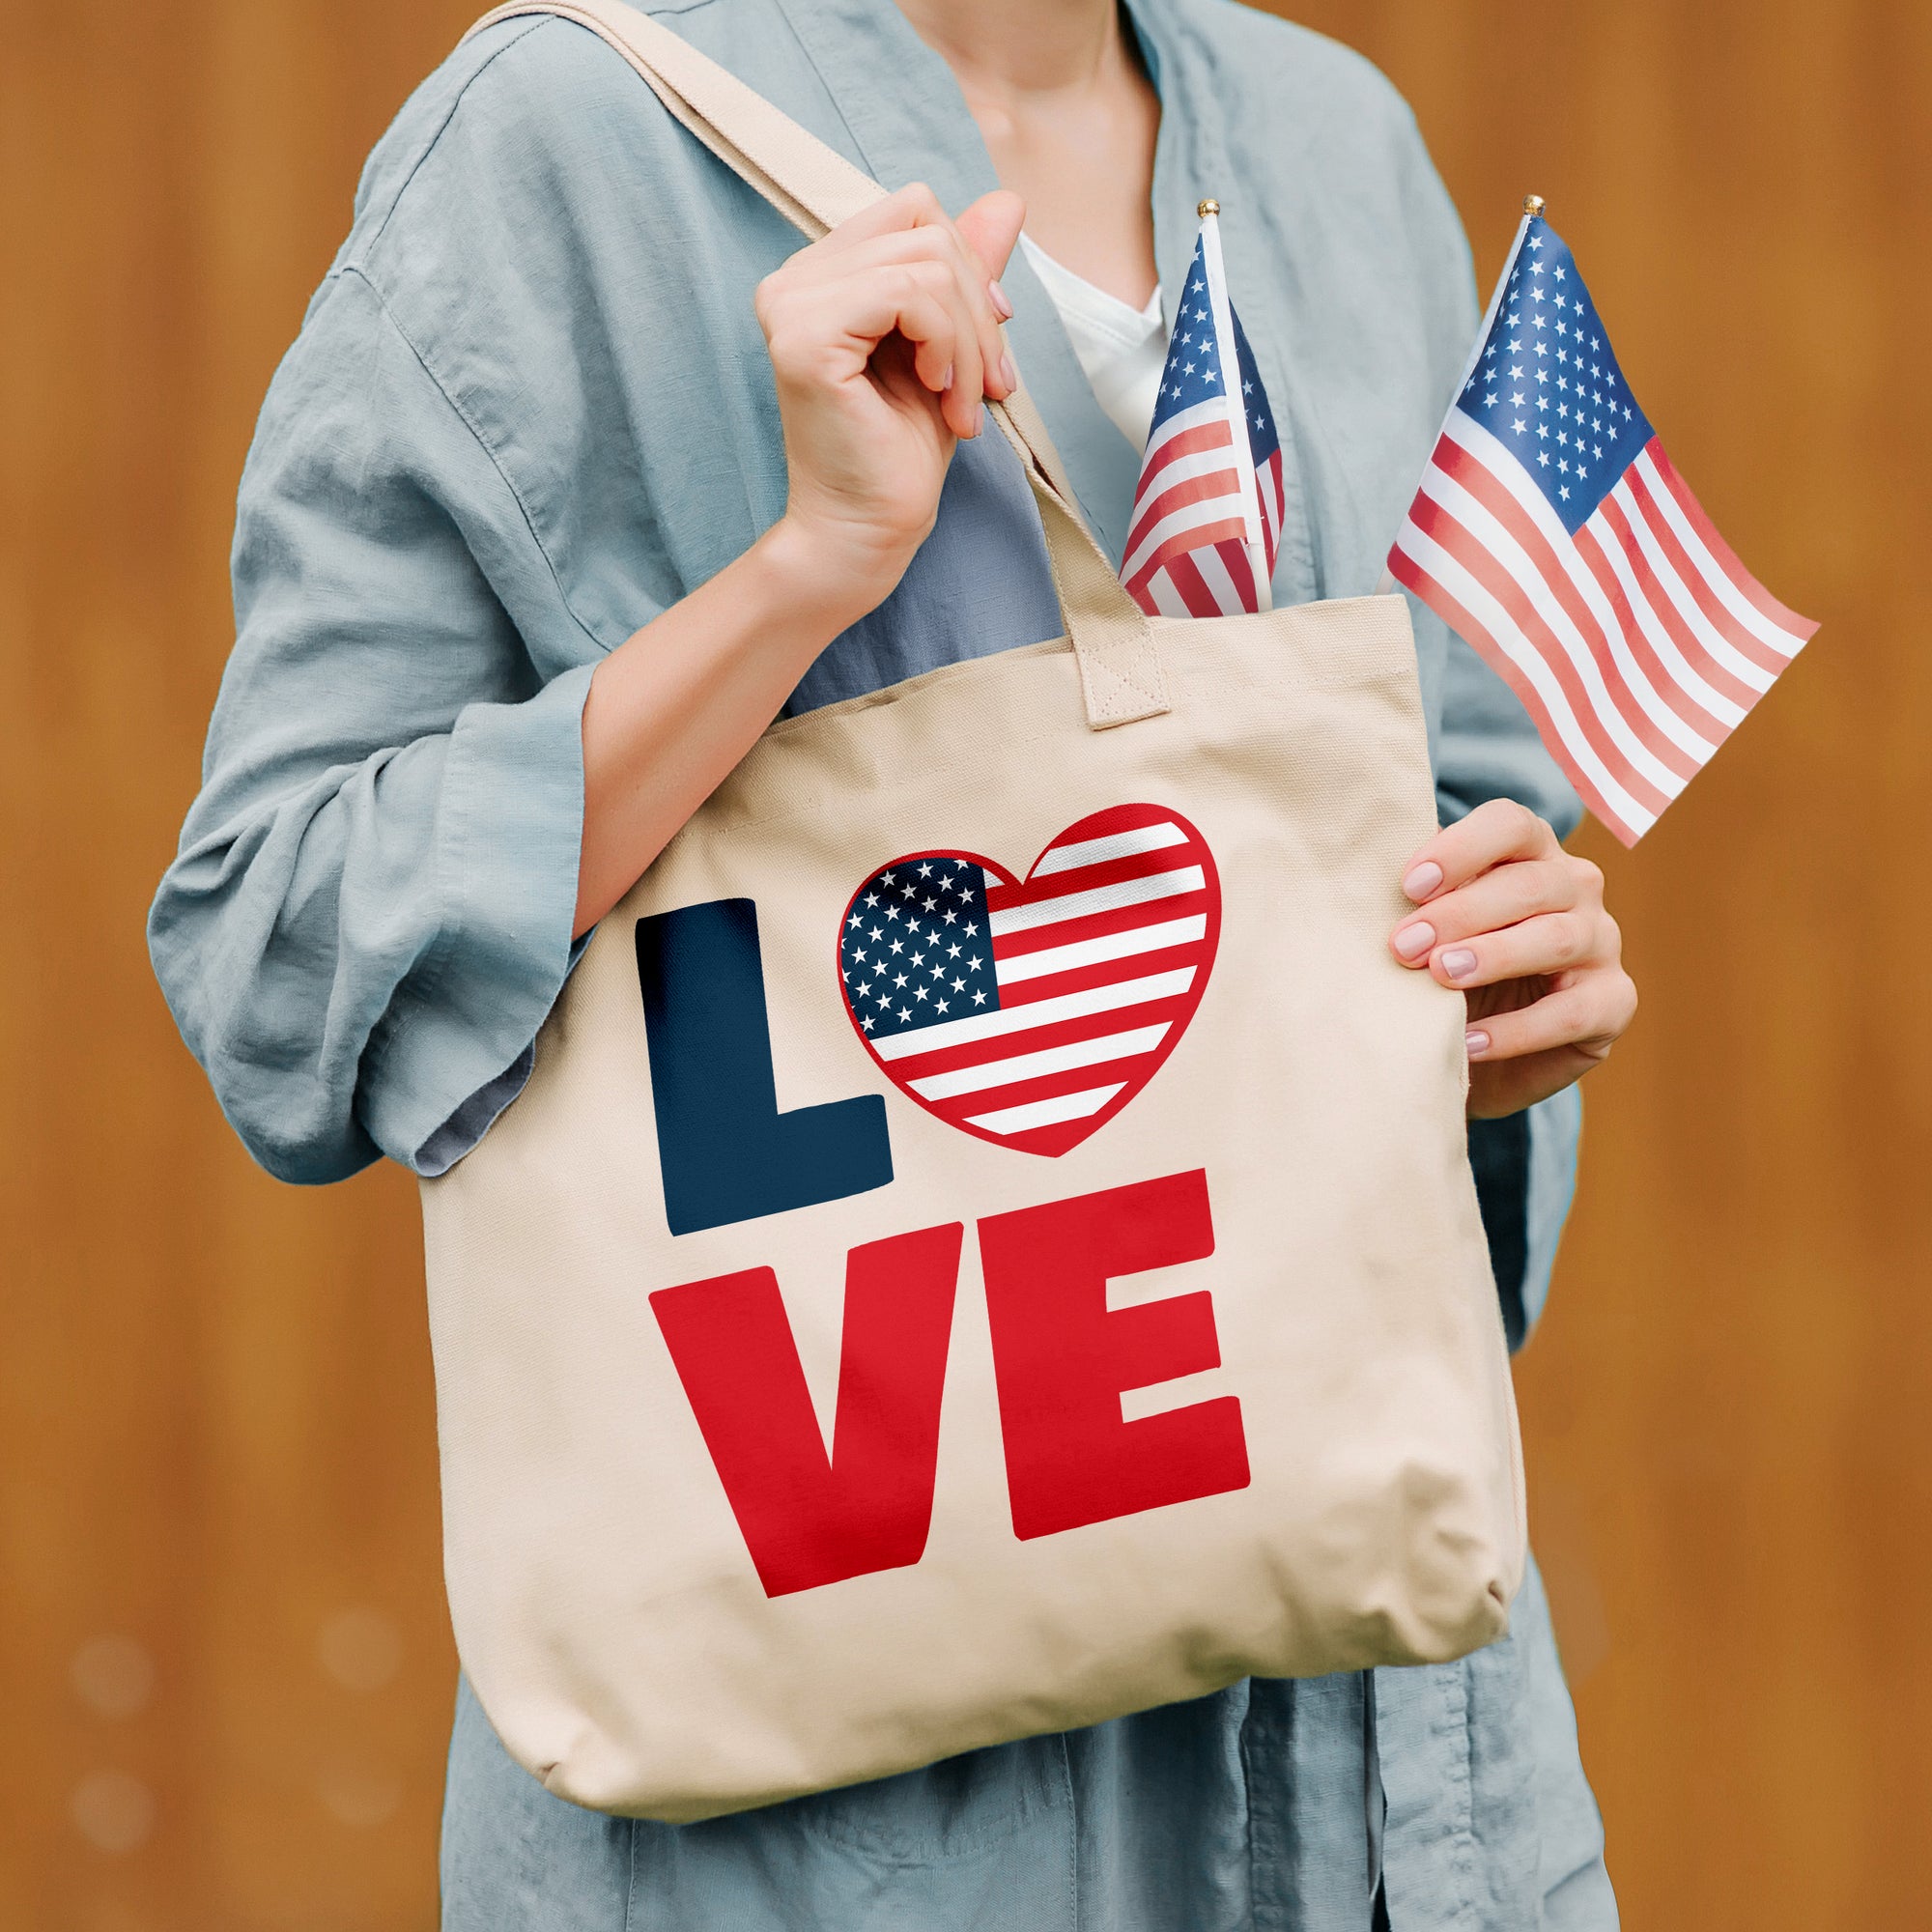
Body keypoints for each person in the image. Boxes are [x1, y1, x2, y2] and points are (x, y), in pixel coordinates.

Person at [150, 0, 1636, 1922]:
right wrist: (804, 576)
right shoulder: (556, 142)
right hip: (822, 1831)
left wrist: (1494, 997)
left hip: (1406, 1803)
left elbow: (1464, 809)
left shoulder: (1335, 141)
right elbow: (279, 956)